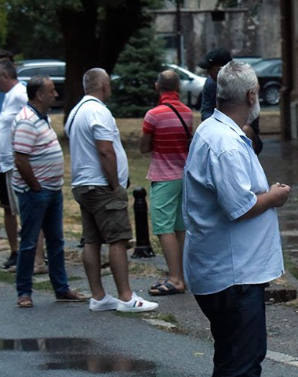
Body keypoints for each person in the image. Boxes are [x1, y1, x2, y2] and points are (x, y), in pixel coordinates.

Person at [183, 60, 292, 377]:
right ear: (250, 96)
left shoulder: (220, 133)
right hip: (232, 272)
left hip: (237, 268)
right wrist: (275, 196)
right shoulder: (224, 143)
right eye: (257, 91)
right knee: (236, 359)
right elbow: (239, 206)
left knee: (248, 354)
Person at [66, 68, 159, 313]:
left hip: (82, 184)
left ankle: (98, 296)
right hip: (101, 185)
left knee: (92, 240)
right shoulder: (98, 111)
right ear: (104, 86)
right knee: (118, 239)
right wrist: (115, 184)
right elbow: (105, 150)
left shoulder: (76, 112)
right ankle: (126, 297)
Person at [11, 76, 88, 307]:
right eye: (52, 91)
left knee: (56, 241)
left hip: (51, 190)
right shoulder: (26, 121)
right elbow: (20, 159)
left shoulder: (41, 118)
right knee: (29, 242)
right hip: (36, 192)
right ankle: (24, 292)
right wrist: (35, 186)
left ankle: (61, 288)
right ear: (39, 95)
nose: (56, 94)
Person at [140, 70, 194, 296]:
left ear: (157, 87)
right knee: (180, 227)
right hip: (184, 175)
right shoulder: (188, 112)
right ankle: (180, 275)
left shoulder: (153, 115)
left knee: (163, 227)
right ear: (178, 89)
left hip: (163, 176)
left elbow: (144, 147)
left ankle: (174, 279)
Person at [0, 59, 26, 270]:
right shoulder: (9, 96)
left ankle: (32, 252)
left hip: (14, 161)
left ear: (5, 76)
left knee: (23, 207)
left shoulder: (20, 93)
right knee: (8, 208)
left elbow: (35, 116)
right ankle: (16, 251)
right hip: (4, 162)